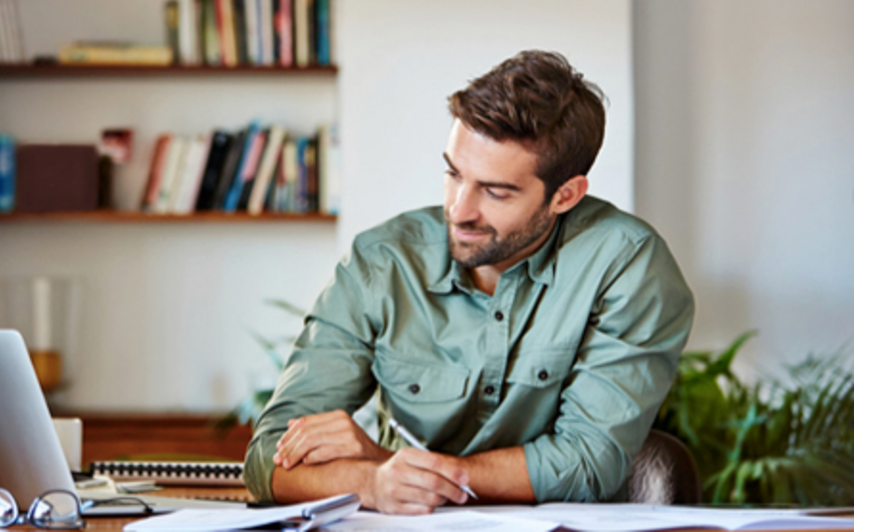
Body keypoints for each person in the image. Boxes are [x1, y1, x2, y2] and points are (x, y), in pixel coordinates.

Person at [243, 50, 694, 514]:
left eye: (496, 192)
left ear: (565, 195)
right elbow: (265, 462)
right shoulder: (381, 263)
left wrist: (400, 466)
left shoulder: (627, 264)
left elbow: (587, 463)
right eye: (453, 174)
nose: (459, 211)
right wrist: (372, 482)